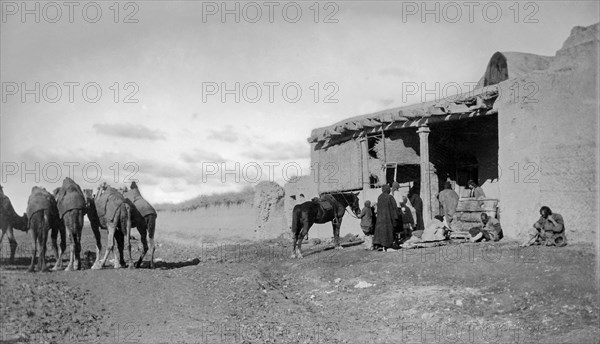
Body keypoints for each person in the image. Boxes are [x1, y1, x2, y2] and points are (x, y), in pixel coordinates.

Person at [373, 184, 398, 252]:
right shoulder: (390, 197)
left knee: (381, 231)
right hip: (388, 217)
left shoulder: (379, 197)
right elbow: (394, 208)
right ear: (387, 189)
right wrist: (395, 217)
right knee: (388, 231)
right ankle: (387, 245)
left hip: (380, 218)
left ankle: (381, 245)